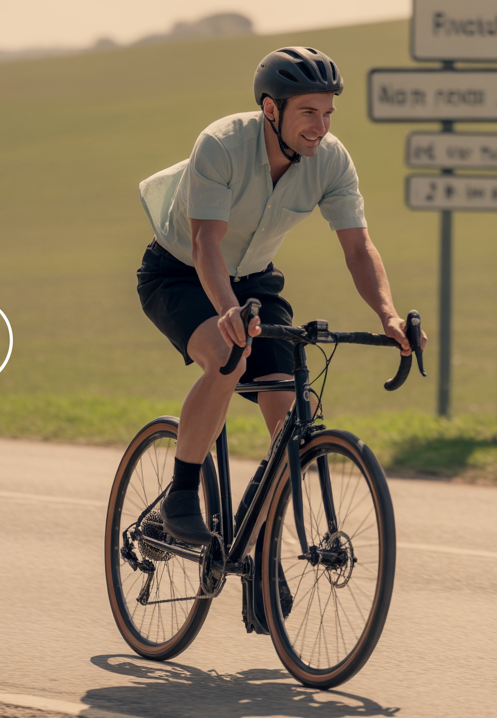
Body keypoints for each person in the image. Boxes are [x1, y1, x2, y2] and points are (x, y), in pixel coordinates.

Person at [135, 46, 427, 545]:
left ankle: (254, 550)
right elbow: (206, 242)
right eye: (309, 112)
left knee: (296, 413)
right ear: (271, 109)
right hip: (180, 272)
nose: (321, 125)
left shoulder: (331, 162)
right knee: (228, 355)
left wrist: (388, 314)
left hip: (253, 279)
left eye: (328, 113)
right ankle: (181, 497)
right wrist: (226, 311)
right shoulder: (222, 144)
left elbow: (358, 247)